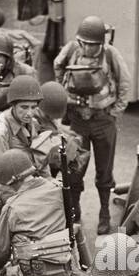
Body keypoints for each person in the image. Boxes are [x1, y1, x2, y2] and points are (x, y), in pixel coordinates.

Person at [53, 14, 132, 234]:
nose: (87, 48)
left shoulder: (110, 54)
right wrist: (65, 94)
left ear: (101, 43)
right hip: (77, 120)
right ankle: (75, 210)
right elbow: (58, 65)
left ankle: (105, 212)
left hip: (103, 120)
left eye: (92, 45)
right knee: (75, 168)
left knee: (104, 171)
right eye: (84, 43)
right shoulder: (71, 50)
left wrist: (114, 113)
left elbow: (125, 83)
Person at [33, 80, 90, 231]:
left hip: (53, 157)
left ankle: (73, 201)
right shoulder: (33, 118)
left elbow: (54, 125)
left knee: (78, 158)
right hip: (43, 161)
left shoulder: (47, 112)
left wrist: (66, 134)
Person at [0, 75, 43, 177]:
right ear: (13, 105)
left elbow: (37, 155)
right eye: (24, 107)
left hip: (31, 177)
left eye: (33, 107)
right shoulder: (1, 132)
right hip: (14, 185)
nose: (29, 113)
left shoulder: (30, 122)